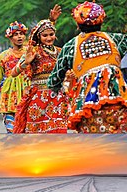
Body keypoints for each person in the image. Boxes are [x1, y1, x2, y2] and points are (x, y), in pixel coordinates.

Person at [48, 1, 127, 133]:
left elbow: (53, 81)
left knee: (93, 145)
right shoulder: (117, 39)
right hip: (118, 100)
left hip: (88, 107)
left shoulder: (70, 47)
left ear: (78, 25)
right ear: (101, 21)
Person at [12, 9, 69, 133]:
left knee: (58, 133)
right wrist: (26, 63)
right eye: (45, 35)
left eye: (51, 34)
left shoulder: (60, 51)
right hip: (39, 98)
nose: (49, 38)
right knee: (37, 133)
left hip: (58, 98)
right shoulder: (33, 51)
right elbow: (13, 73)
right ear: (39, 37)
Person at [0, 21, 29, 133]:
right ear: (10, 37)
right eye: (16, 34)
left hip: (27, 94)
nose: (19, 37)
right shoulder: (4, 56)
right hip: (9, 97)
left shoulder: (30, 52)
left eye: (21, 34)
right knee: (11, 132)